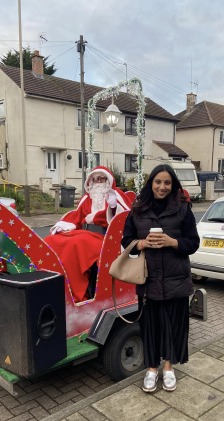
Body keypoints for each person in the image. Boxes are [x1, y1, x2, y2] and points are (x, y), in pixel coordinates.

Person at [122, 164, 200, 392]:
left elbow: (194, 243)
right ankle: (151, 369)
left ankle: (168, 368)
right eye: (158, 182)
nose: (162, 187)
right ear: (151, 184)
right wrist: (142, 244)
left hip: (176, 280)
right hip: (148, 281)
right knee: (150, 326)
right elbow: (126, 241)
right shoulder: (137, 210)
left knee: (174, 326)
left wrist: (173, 242)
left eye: (167, 183)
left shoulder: (183, 209)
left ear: (173, 184)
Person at [45, 166, 131, 303]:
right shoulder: (86, 198)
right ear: (91, 181)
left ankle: (77, 293)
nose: (99, 181)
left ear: (108, 180)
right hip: (87, 235)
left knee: (76, 244)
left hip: (107, 239)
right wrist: (64, 226)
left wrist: (112, 208)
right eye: (96, 178)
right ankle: (54, 283)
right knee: (52, 240)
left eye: (102, 178)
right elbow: (77, 216)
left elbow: (125, 217)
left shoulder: (116, 195)